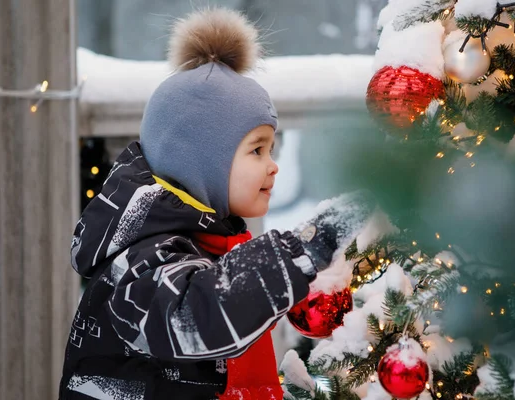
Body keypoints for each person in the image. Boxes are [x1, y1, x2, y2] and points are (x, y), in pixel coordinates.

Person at [59, 7, 373, 400]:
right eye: (256, 150)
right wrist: (306, 247)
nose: (273, 166)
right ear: (199, 160)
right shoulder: (137, 259)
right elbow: (196, 315)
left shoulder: (210, 241)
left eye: (271, 149)